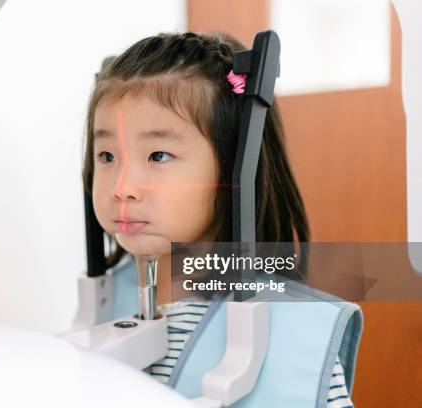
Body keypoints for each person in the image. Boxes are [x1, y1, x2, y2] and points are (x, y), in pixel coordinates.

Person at [81, 32, 354, 407]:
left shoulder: (297, 336)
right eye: (107, 156)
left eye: (159, 155)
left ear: (234, 168)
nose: (122, 188)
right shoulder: (99, 306)